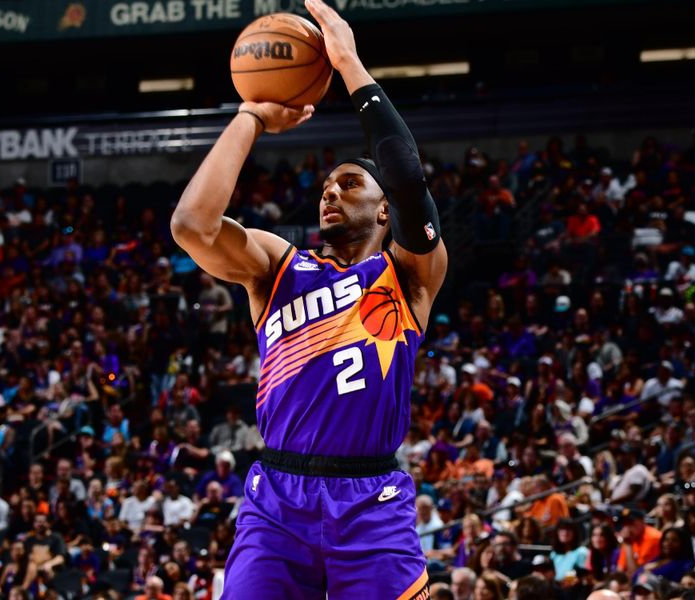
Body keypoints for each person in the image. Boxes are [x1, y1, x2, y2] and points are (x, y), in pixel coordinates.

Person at [169, 0, 446, 597]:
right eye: (325, 187)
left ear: (383, 208)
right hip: (277, 501)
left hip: (372, 501)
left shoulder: (409, 275)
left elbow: (406, 174)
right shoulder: (278, 265)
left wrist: (348, 66)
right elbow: (193, 225)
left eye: (350, 185)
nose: (331, 194)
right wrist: (250, 115)